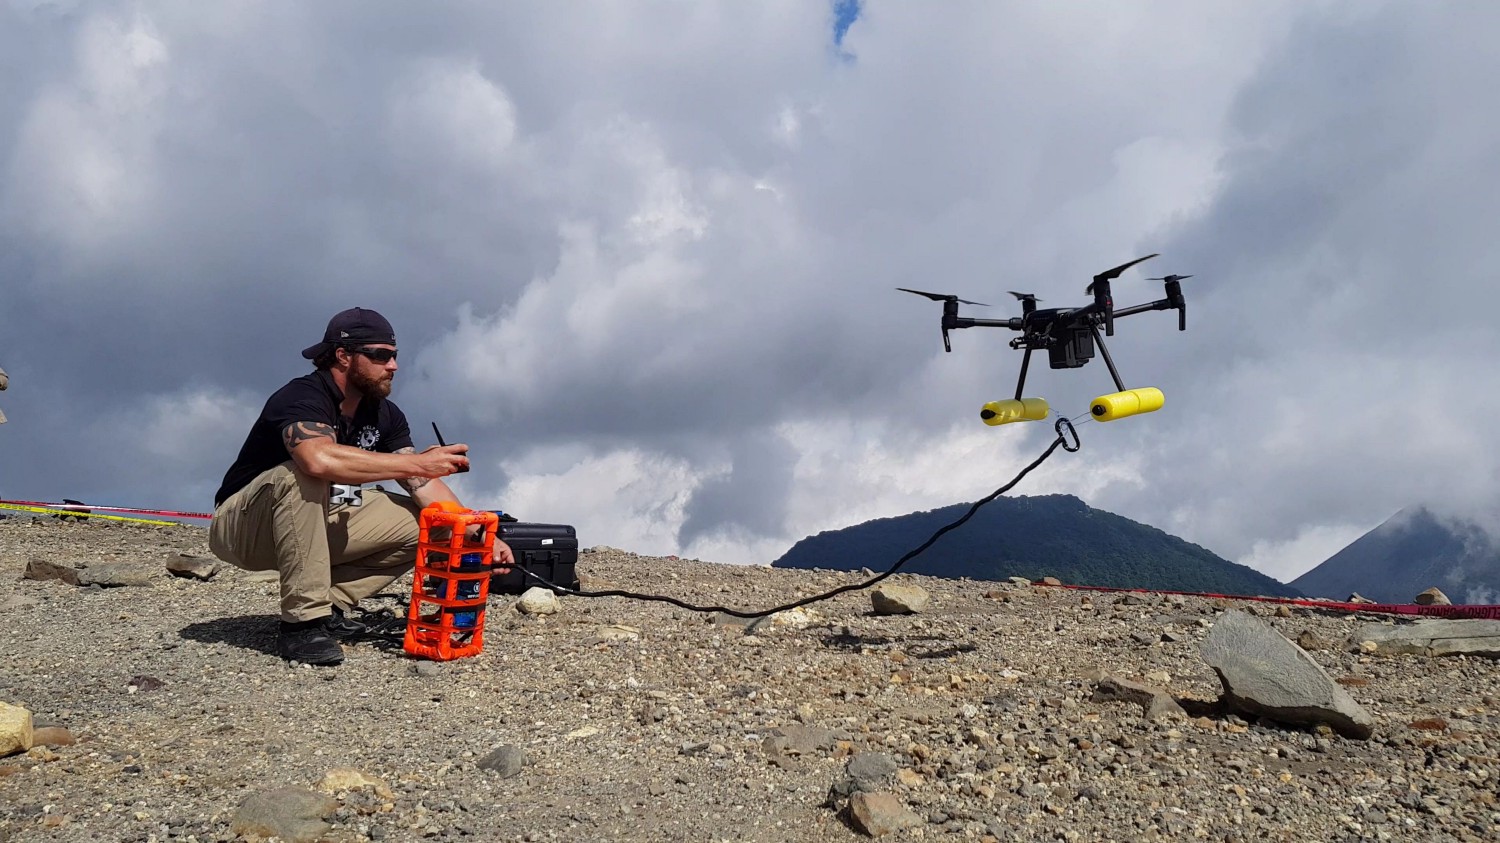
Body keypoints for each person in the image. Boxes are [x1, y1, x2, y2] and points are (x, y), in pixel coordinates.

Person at [209, 307, 512, 665]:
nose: (393, 366)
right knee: (300, 473)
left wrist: (479, 535)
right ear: (343, 356)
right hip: (243, 529)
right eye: (380, 355)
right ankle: (302, 624)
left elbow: (422, 485)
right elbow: (316, 459)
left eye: (395, 356)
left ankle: (330, 606)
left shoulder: (385, 413)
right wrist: (417, 461)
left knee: (430, 524)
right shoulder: (302, 396)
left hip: (315, 522)